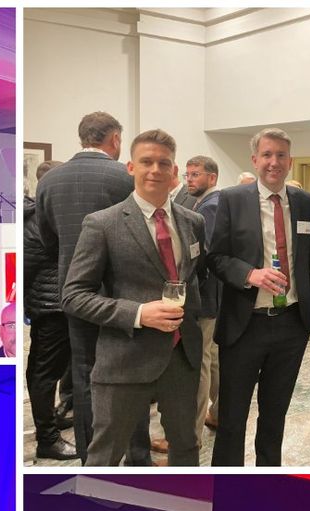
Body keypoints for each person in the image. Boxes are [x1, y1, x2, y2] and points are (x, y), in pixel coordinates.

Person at [63, 129, 205, 467]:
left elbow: (195, 279)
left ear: (175, 172)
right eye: (146, 162)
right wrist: (139, 313)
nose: (155, 169)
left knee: (186, 447)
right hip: (125, 357)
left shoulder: (192, 221)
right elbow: (73, 295)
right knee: (105, 453)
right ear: (130, 167)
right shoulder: (102, 224)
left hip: (181, 355)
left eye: (163, 163)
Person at [208, 127, 310, 466]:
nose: (274, 162)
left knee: (275, 415)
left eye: (281, 155)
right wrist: (249, 274)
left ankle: (267, 480)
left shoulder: (307, 203)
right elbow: (215, 257)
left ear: (290, 161)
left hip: (291, 326)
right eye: (267, 155)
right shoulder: (231, 199)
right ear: (255, 159)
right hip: (245, 325)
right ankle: (226, 484)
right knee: (232, 418)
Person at [35, 112, 136, 462]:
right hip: (121, 292)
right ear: (114, 140)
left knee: (83, 374)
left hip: (72, 292)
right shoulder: (123, 177)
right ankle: (125, 453)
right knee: (126, 375)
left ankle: (88, 453)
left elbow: (47, 241)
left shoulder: (49, 180)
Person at [25, 159, 76, 459]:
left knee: (45, 373)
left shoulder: (47, 215)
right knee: (44, 375)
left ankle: (50, 423)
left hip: (55, 306)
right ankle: (48, 439)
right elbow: (28, 270)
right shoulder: (39, 220)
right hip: (52, 308)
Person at [185, 155, 222, 444]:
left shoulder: (210, 207)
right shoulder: (204, 203)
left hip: (204, 294)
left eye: (195, 174)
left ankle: (190, 435)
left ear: (212, 177)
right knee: (211, 358)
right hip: (211, 295)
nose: (189, 180)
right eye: (188, 175)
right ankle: (218, 412)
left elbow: (202, 256)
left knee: (199, 362)